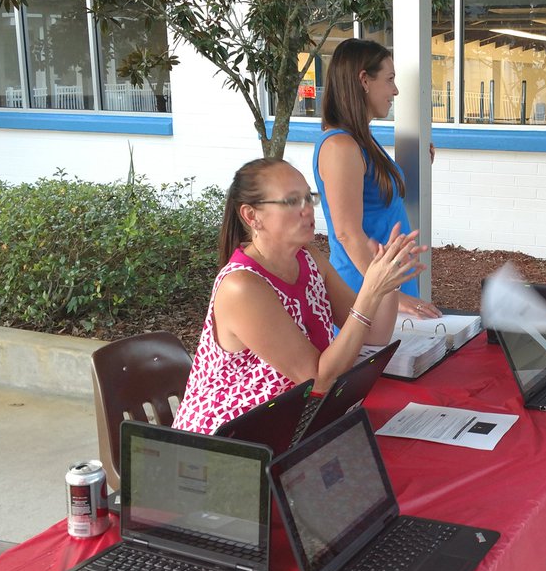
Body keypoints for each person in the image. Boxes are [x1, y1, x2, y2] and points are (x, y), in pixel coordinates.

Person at [173, 159, 422, 435]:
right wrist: (371, 290)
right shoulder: (241, 286)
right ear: (251, 216)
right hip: (226, 445)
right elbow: (318, 380)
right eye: (291, 201)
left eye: (308, 198)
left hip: (292, 426)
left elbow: (374, 334)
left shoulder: (309, 257)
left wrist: (389, 279)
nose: (306, 210)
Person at [313, 37, 442, 319]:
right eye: (390, 79)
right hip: (367, 290)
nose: (395, 91)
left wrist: (413, 168)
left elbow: (374, 198)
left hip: (388, 285)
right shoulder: (340, 147)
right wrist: (390, 296)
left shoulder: (361, 141)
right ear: (364, 81)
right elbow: (347, 233)